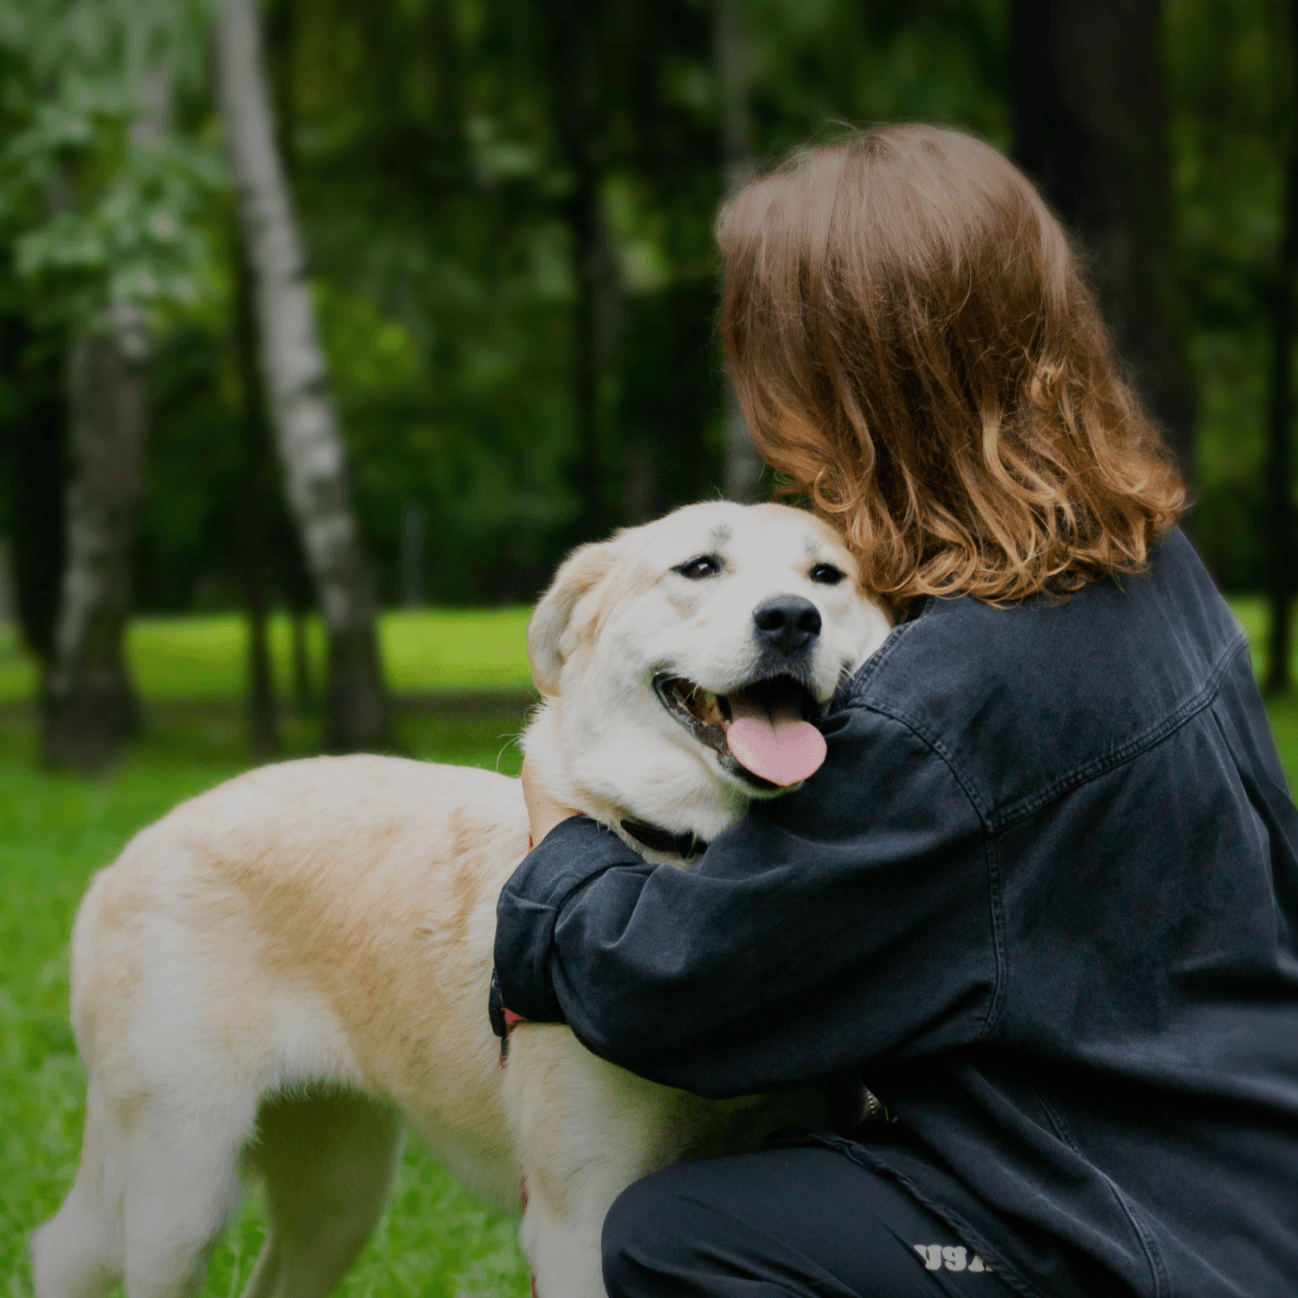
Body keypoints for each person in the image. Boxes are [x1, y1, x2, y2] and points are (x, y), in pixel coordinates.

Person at [493, 125, 1298, 1298]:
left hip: (1126, 1228)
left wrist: (557, 837)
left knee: (684, 1233)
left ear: (845, 382)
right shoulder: (1146, 559)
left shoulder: (951, 696)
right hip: (1246, 1164)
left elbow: (670, 990)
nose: (752, 392)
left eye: (762, 354)